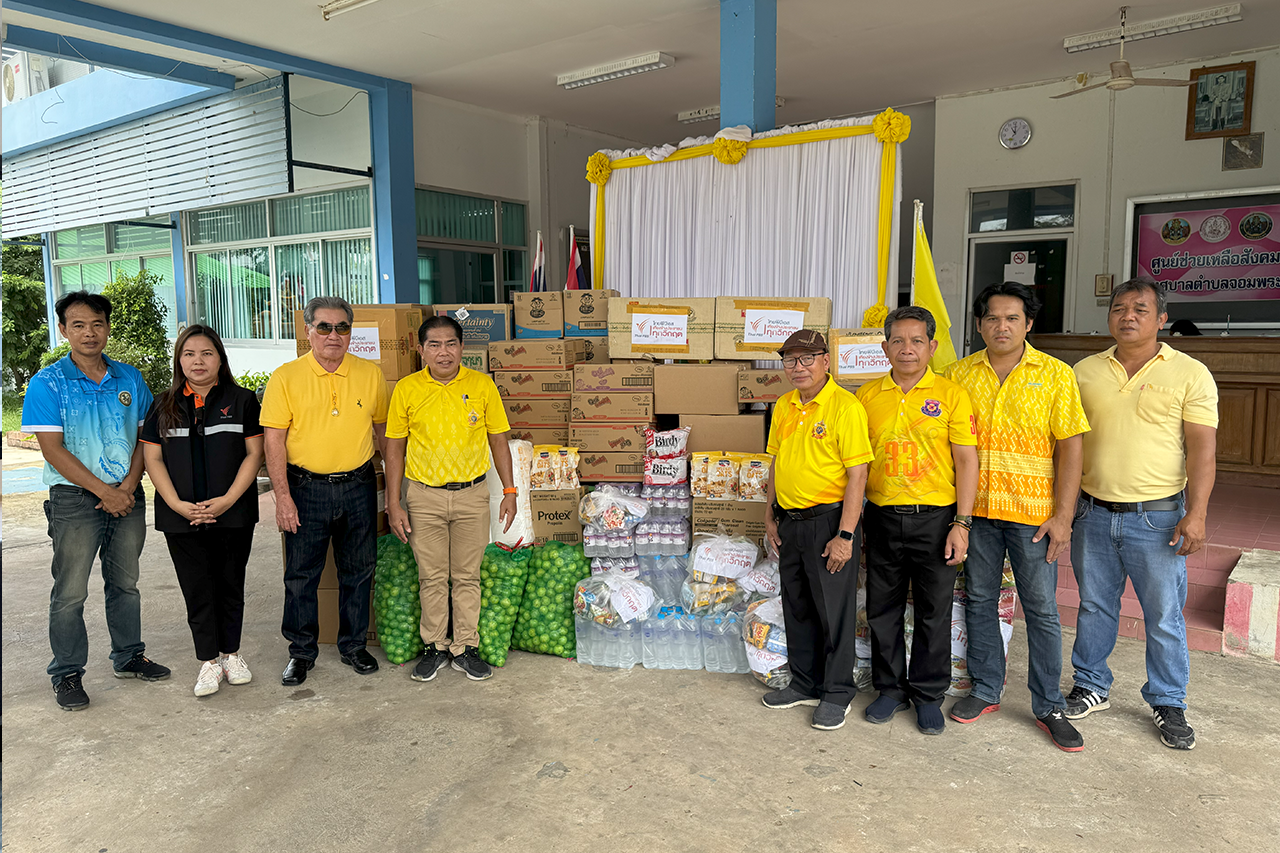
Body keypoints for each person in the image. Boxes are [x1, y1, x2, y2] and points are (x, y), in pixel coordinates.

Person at [1067, 278, 1217, 751]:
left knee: (1163, 615)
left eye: (1140, 309)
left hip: (1157, 518)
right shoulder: (1084, 371)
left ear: (1161, 318)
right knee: (1093, 605)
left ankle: (1168, 700)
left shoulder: (1190, 373)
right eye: (1119, 308)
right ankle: (1092, 685)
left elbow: (1202, 454)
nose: (1127, 316)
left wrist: (1197, 514)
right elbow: (1065, 446)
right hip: (1092, 513)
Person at [943, 282, 1089, 752]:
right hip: (976, 516)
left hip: (1034, 518)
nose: (1000, 326)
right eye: (991, 318)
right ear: (980, 324)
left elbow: (1071, 447)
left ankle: (1048, 704)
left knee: (1043, 611)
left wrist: (1063, 516)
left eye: (1011, 318)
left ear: (1028, 324)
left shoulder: (1054, 374)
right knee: (980, 599)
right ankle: (986, 690)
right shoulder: (957, 375)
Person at [21, 290, 170, 711]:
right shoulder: (48, 383)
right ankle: (67, 673)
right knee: (70, 592)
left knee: (125, 584)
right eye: (79, 325)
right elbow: (52, 450)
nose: (90, 333)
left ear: (108, 328)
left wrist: (127, 487)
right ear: (64, 329)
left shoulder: (130, 378)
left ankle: (128, 656)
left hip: (128, 496)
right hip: (74, 501)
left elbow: (145, 437)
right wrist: (105, 491)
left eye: (98, 324)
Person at [856, 307, 978, 736]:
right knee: (882, 609)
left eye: (917, 341)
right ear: (885, 346)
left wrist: (962, 522)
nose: (907, 349)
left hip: (937, 520)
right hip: (882, 517)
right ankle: (890, 689)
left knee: (933, 612)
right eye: (898, 341)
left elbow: (966, 460)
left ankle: (928, 694)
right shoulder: (866, 396)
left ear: (933, 346)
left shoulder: (952, 394)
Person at [261, 296, 389, 686]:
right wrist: (282, 497)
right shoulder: (285, 377)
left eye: (342, 327)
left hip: (359, 485)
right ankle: (301, 653)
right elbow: (274, 442)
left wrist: (395, 486)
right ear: (308, 332)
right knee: (301, 576)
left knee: (359, 569)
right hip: (306, 488)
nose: (333, 335)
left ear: (351, 332)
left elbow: (384, 433)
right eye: (324, 327)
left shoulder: (370, 374)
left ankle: (353, 645)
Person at [384, 316, 517, 683]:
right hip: (423, 497)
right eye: (435, 345)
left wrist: (509, 491)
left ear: (462, 347)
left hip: (472, 495)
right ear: (421, 350)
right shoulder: (407, 389)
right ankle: (435, 647)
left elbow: (498, 440)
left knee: (466, 576)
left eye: (451, 344)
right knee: (431, 578)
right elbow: (393, 448)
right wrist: (394, 502)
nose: (444, 352)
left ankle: (465, 648)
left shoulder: (482, 385)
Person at [140, 325, 264, 698]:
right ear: (179, 360)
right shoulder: (162, 404)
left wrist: (227, 500)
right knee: (197, 587)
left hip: (233, 511)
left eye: (206, 353)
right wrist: (177, 504)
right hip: (181, 515)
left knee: (230, 583)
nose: (198, 361)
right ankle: (208, 662)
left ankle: (232, 654)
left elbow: (254, 455)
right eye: (189, 353)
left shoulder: (242, 401)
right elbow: (153, 458)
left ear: (220, 358)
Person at [761, 330, 873, 731]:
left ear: (827, 361)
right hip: (790, 522)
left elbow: (857, 476)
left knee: (833, 612)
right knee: (798, 605)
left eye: (808, 358)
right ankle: (804, 683)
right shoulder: (783, 405)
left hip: (829, 523)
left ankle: (838, 692)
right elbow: (776, 463)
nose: (799, 367)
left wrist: (845, 535)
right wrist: (770, 516)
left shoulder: (845, 407)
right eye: (791, 360)